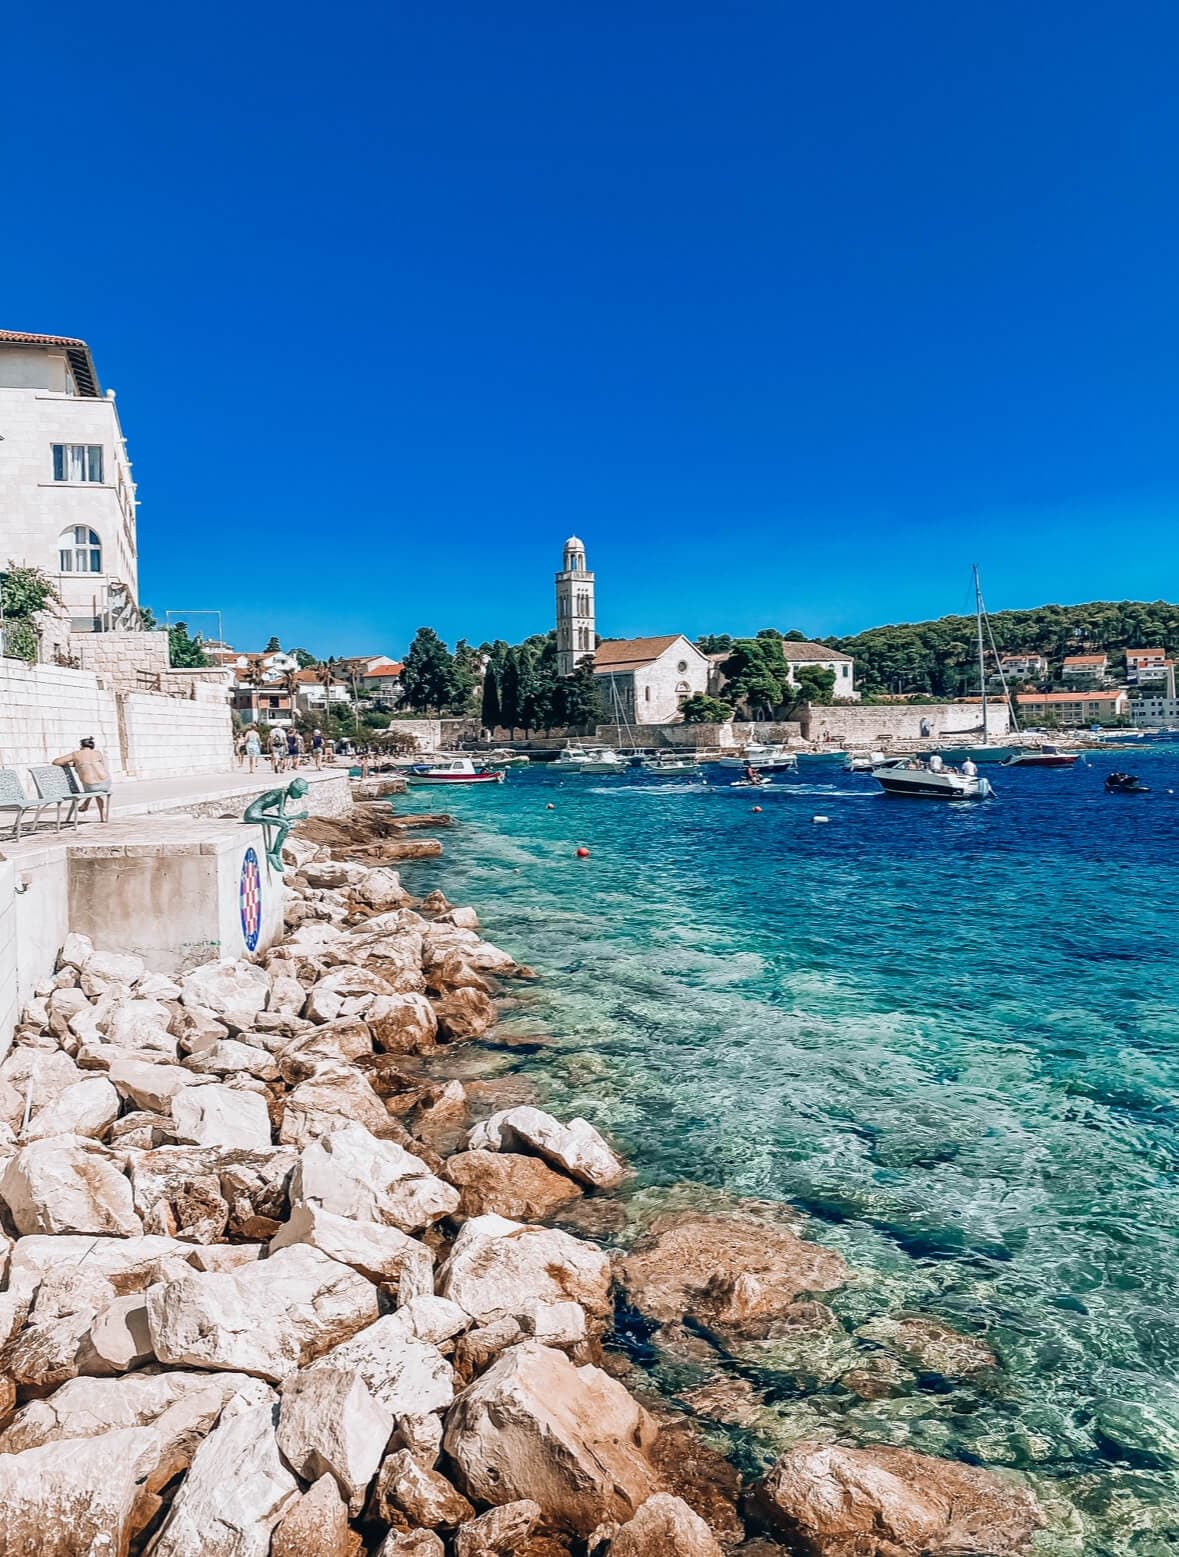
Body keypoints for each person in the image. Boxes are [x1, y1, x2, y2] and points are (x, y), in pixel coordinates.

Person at [54, 737, 112, 822]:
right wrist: (79, 764)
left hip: (91, 786)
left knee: (93, 788)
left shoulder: (76, 754)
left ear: (81, 745)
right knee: (97, 791)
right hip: (106, 783)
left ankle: (86, 804)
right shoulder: (98, 753)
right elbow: (101, 766)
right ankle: (102, 815)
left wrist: (74, 763)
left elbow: (56, 762)